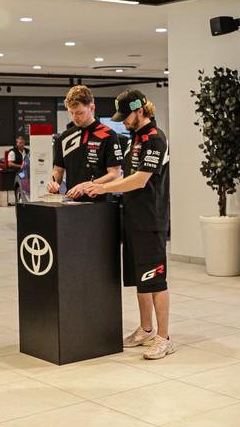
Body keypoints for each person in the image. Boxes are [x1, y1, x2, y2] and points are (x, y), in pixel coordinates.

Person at [68, 89, 174, 360]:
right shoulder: (134, 138)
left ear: (140, 110)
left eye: (126, 116)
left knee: (155, 279)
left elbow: (140, 179)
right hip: (132, 217)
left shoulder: (155, 139)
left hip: (151, 220)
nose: (123, 121)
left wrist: (103, 189)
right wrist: (98, 184)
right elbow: (123, 175)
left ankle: (164, 337)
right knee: (140, 279)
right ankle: (146, 329)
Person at [47, 84, 122, 194]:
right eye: (71, 112)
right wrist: (53, 183)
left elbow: (115, 174)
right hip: (72, 199)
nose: (74, 117)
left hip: (100, 200)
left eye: (79, 113)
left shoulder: (108, 135)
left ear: (92, 108)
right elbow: (58, 170)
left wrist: (87, 186)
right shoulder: (65, 137)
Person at [5, 133, 28, 203]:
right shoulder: (12, 152)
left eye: (22, 143)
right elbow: (10, 164)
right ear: (17, 143)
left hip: (26, 171)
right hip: (17, 172)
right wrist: (20, 166)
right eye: (20, 143)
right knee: (22, 178)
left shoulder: (27, 151)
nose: (21, 144)